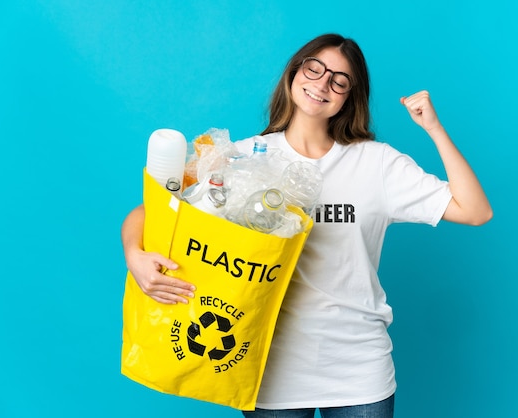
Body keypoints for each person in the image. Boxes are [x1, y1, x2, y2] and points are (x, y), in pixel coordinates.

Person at [121, 33, 492, 417]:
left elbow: (475, 210)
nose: (322, 84)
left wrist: (433, 128)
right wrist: (135, 254)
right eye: (314, 68)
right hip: (267, 366)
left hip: (358, 370)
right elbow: (149, 209)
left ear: (350, 96)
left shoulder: (376, 164)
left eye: (339, 80)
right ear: (294, 72)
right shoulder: (242, 159)